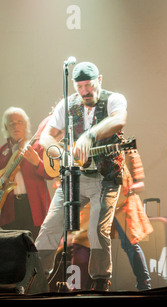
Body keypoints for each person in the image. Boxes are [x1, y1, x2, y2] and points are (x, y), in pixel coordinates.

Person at [35, 61, 127, 291]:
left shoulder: (113, 99)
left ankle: (100, 280)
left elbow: (118, 120)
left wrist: (90, 136)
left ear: (100, 80)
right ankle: (34, 277)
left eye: (89, 85)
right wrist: (59, 153)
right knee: (50, 228)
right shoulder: (68, 105)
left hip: (105, 178)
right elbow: (46, 136)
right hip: (74, 177)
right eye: (80, 87)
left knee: (97, 230)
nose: (85, 91)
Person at [71, 150, 153, 291]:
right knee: (88, 244)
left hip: (122, 207)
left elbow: (139, 183)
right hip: (99, 205)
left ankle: (144, 285)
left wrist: (129, 186)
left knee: (130, 245)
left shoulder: (128, 151)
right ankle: (84, 287)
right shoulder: (89, 151)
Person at [0, 107, 52, 240]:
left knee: (36, 249)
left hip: (34, 207)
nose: (16, 125)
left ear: (26, 125)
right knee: (13, 251)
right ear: (6, 127)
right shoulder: (1, 152)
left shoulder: (38, 147)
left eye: (19, 122)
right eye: (12, 123)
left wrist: (37, 163)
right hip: (10, 210)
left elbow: (51, 175)